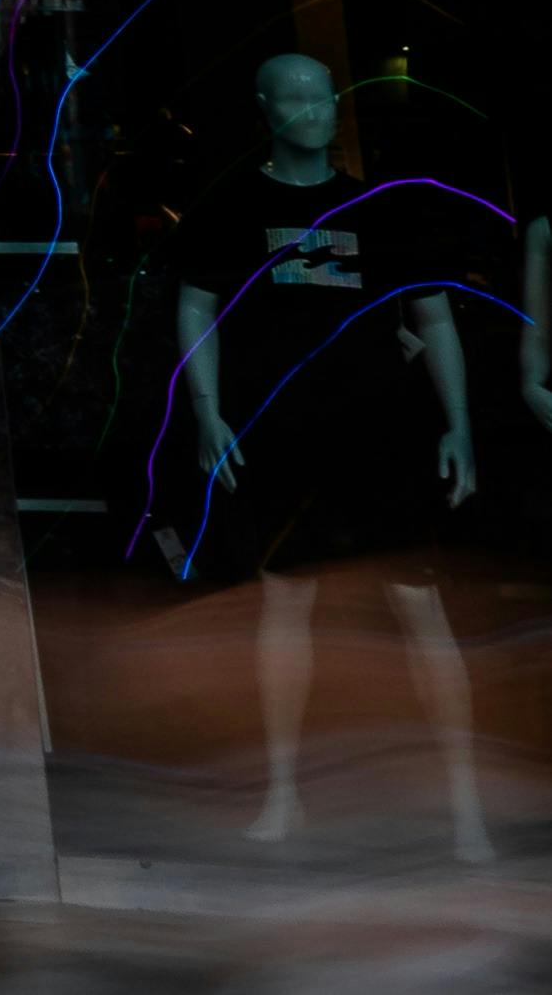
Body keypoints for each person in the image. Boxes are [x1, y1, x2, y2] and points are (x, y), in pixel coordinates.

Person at [174, 48, 489, 861]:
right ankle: (284, 793)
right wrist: (206, 412)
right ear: (265, 106)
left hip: (381, 436)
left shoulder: (381, 208)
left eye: (325, 95)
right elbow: (196, 304)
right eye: (297, 97)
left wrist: (458, 424)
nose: (317, 109)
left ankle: (467, 807)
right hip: (282, 438)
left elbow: (435, 315)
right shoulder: (231, 204)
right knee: (285, 609)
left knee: (422, 610)